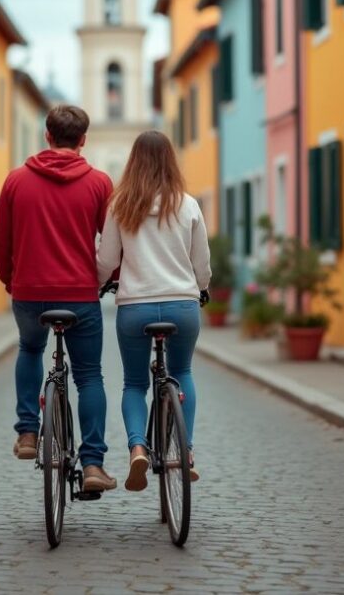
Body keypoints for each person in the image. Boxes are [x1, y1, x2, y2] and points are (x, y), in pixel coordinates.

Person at [0, 105, 116, 492]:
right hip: (79, 296)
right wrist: (108, 279)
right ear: (83, 139)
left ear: (47, 135)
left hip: (29, 294)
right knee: (89, 375)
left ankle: (28, 433)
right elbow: (111, 244)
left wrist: (13, 282)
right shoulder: (99, 183)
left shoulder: (15, 181)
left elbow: (0, 244)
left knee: (30, 349)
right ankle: (93, 464)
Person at [97, 130, 211, 491]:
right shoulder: (188, 204)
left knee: (134, 383)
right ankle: (186, 452)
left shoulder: (120, 205)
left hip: (135, 308)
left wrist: (102, 282)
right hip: (182, 304)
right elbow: (202, 264)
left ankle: (137, 448)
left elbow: (108, 260)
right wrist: (202, 288)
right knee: (183, 371)